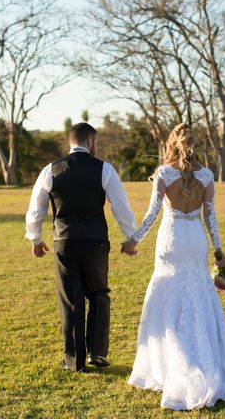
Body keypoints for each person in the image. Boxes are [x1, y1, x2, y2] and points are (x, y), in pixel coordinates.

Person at [122, 123, 225, 410]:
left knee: (167, 293)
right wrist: (219, 252)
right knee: (198, 292)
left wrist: (134, 240)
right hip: (195, 239)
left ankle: (167, 364)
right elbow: (211, 217)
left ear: (172, 143)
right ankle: (203, 354)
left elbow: (151, 215)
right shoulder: (206, 175)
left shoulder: (163, 173)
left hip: (171, 240)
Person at [25, 122, 137, 372]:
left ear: (70, 142)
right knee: (98, 293)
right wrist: (130, 236)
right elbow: (121, 206)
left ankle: (74, 360)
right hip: (95, 241)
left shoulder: (50, 170)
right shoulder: (104, 169)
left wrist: (35, 238)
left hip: (64, 242)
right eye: (96, 142)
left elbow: (36, 208)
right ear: (89, 141)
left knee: (71, 300)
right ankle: (97, 353)